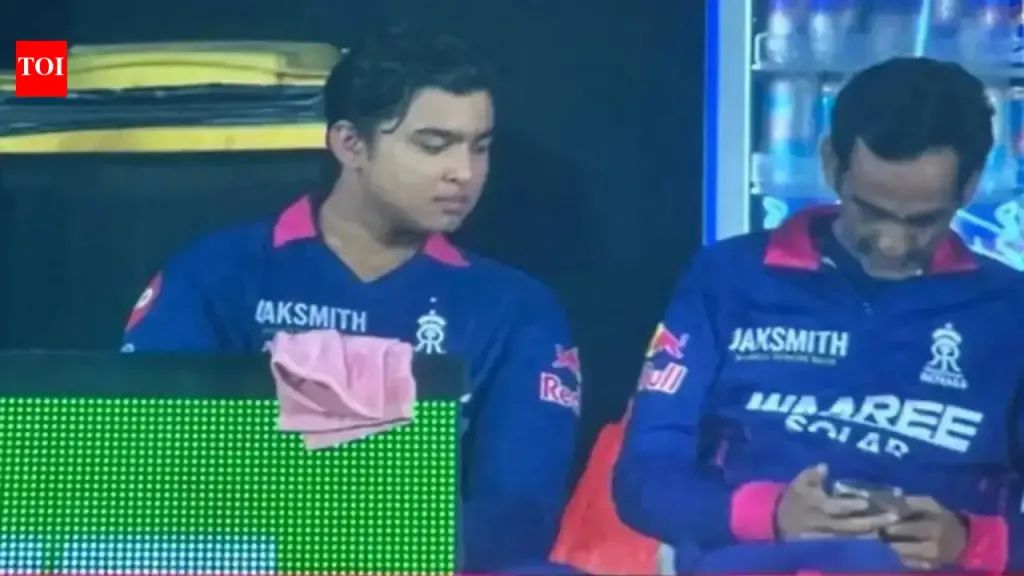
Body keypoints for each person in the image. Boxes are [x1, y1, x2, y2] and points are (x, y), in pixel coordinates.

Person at [121, 25, 581, 572]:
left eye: (479, 147)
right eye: (433, 145)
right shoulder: (216, 273)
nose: (464, 172)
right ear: (350, 144)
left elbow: (519, 516)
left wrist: (370, 547)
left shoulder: (518, 309)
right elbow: (150, 463)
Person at [613, 56, 1024, 574]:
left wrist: (973, 540)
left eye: (923, 220)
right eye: (871, 210)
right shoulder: (727, 278)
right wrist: (768, 515)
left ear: (970, 188)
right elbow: (643, 479)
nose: (892, 243)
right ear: (831, 164)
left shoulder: (1011, 311)